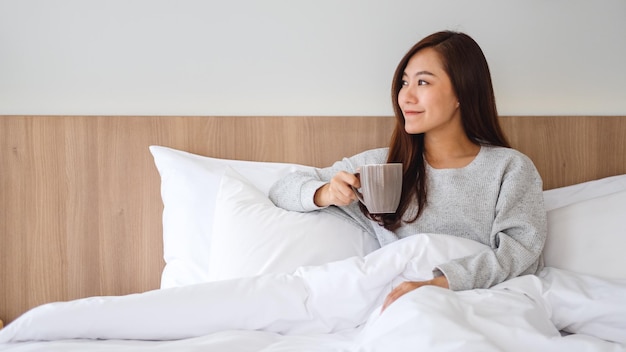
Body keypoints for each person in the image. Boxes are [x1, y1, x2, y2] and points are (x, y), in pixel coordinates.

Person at [269, 30, 547, 312]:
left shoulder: (510, 168)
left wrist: (439, 285)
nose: (406, 97)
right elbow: (282, 189)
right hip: (407, 307)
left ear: (462, 92)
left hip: (484, 305)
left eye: (423, 82)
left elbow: (521, 253)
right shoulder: (381, 169)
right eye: (404, 83)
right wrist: (325, 192)